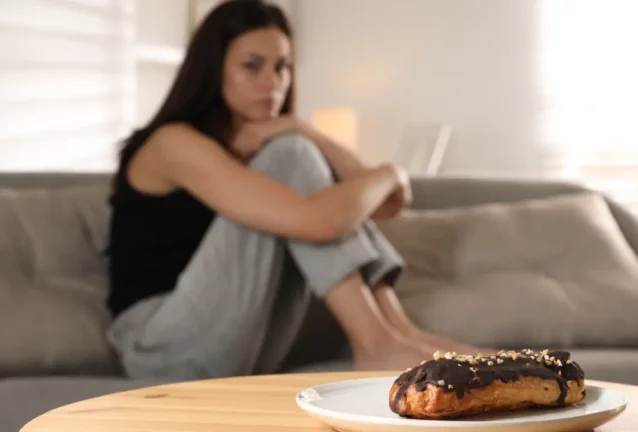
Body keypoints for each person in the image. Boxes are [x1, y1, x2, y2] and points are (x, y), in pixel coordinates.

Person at [105, 0, 481, 380]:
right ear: (212, 69)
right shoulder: (173, 143)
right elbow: (324, 221)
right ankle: (378, 344)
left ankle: (400, 334)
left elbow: (387, 205)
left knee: (315, 176)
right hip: (161, 345)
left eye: (282, 67)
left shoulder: (270, 144)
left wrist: (305, 130)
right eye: (252, 66)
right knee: (297, 165)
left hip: (239, 338)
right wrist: (389, 171)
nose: (273, 83)